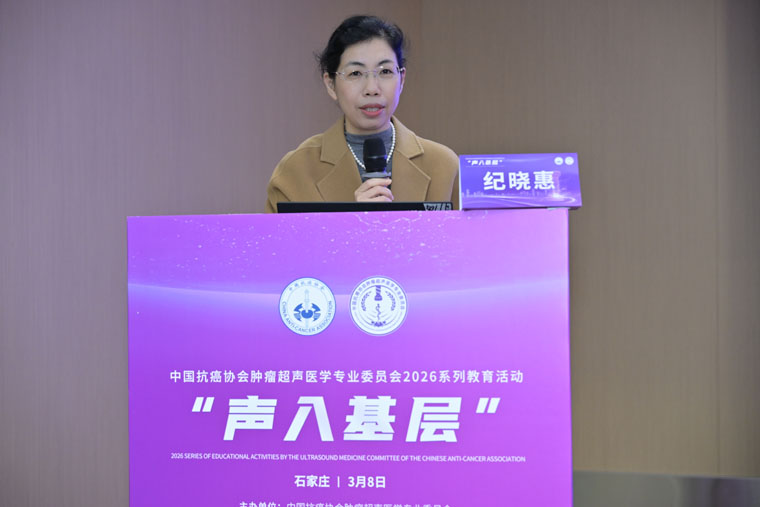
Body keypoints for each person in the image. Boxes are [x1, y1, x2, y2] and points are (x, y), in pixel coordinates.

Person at [265, 15, 459, 213]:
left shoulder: (444, 166)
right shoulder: (295, 171)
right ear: (330, 84)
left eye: (385, 71)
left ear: (401, 79)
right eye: (355, 73)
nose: (372, 89)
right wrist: (353, 222)